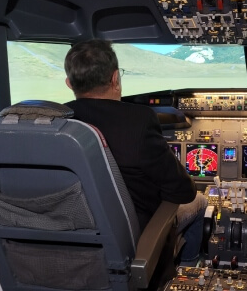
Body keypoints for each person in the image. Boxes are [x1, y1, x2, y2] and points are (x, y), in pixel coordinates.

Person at [63, 39, 207, 266]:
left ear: (70, 83)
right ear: (115, 78)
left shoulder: (60, 122)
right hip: (135, 232)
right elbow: (182, 192)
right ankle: (187, 272)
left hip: (79, 229)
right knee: (199, 201)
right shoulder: (139, 121)